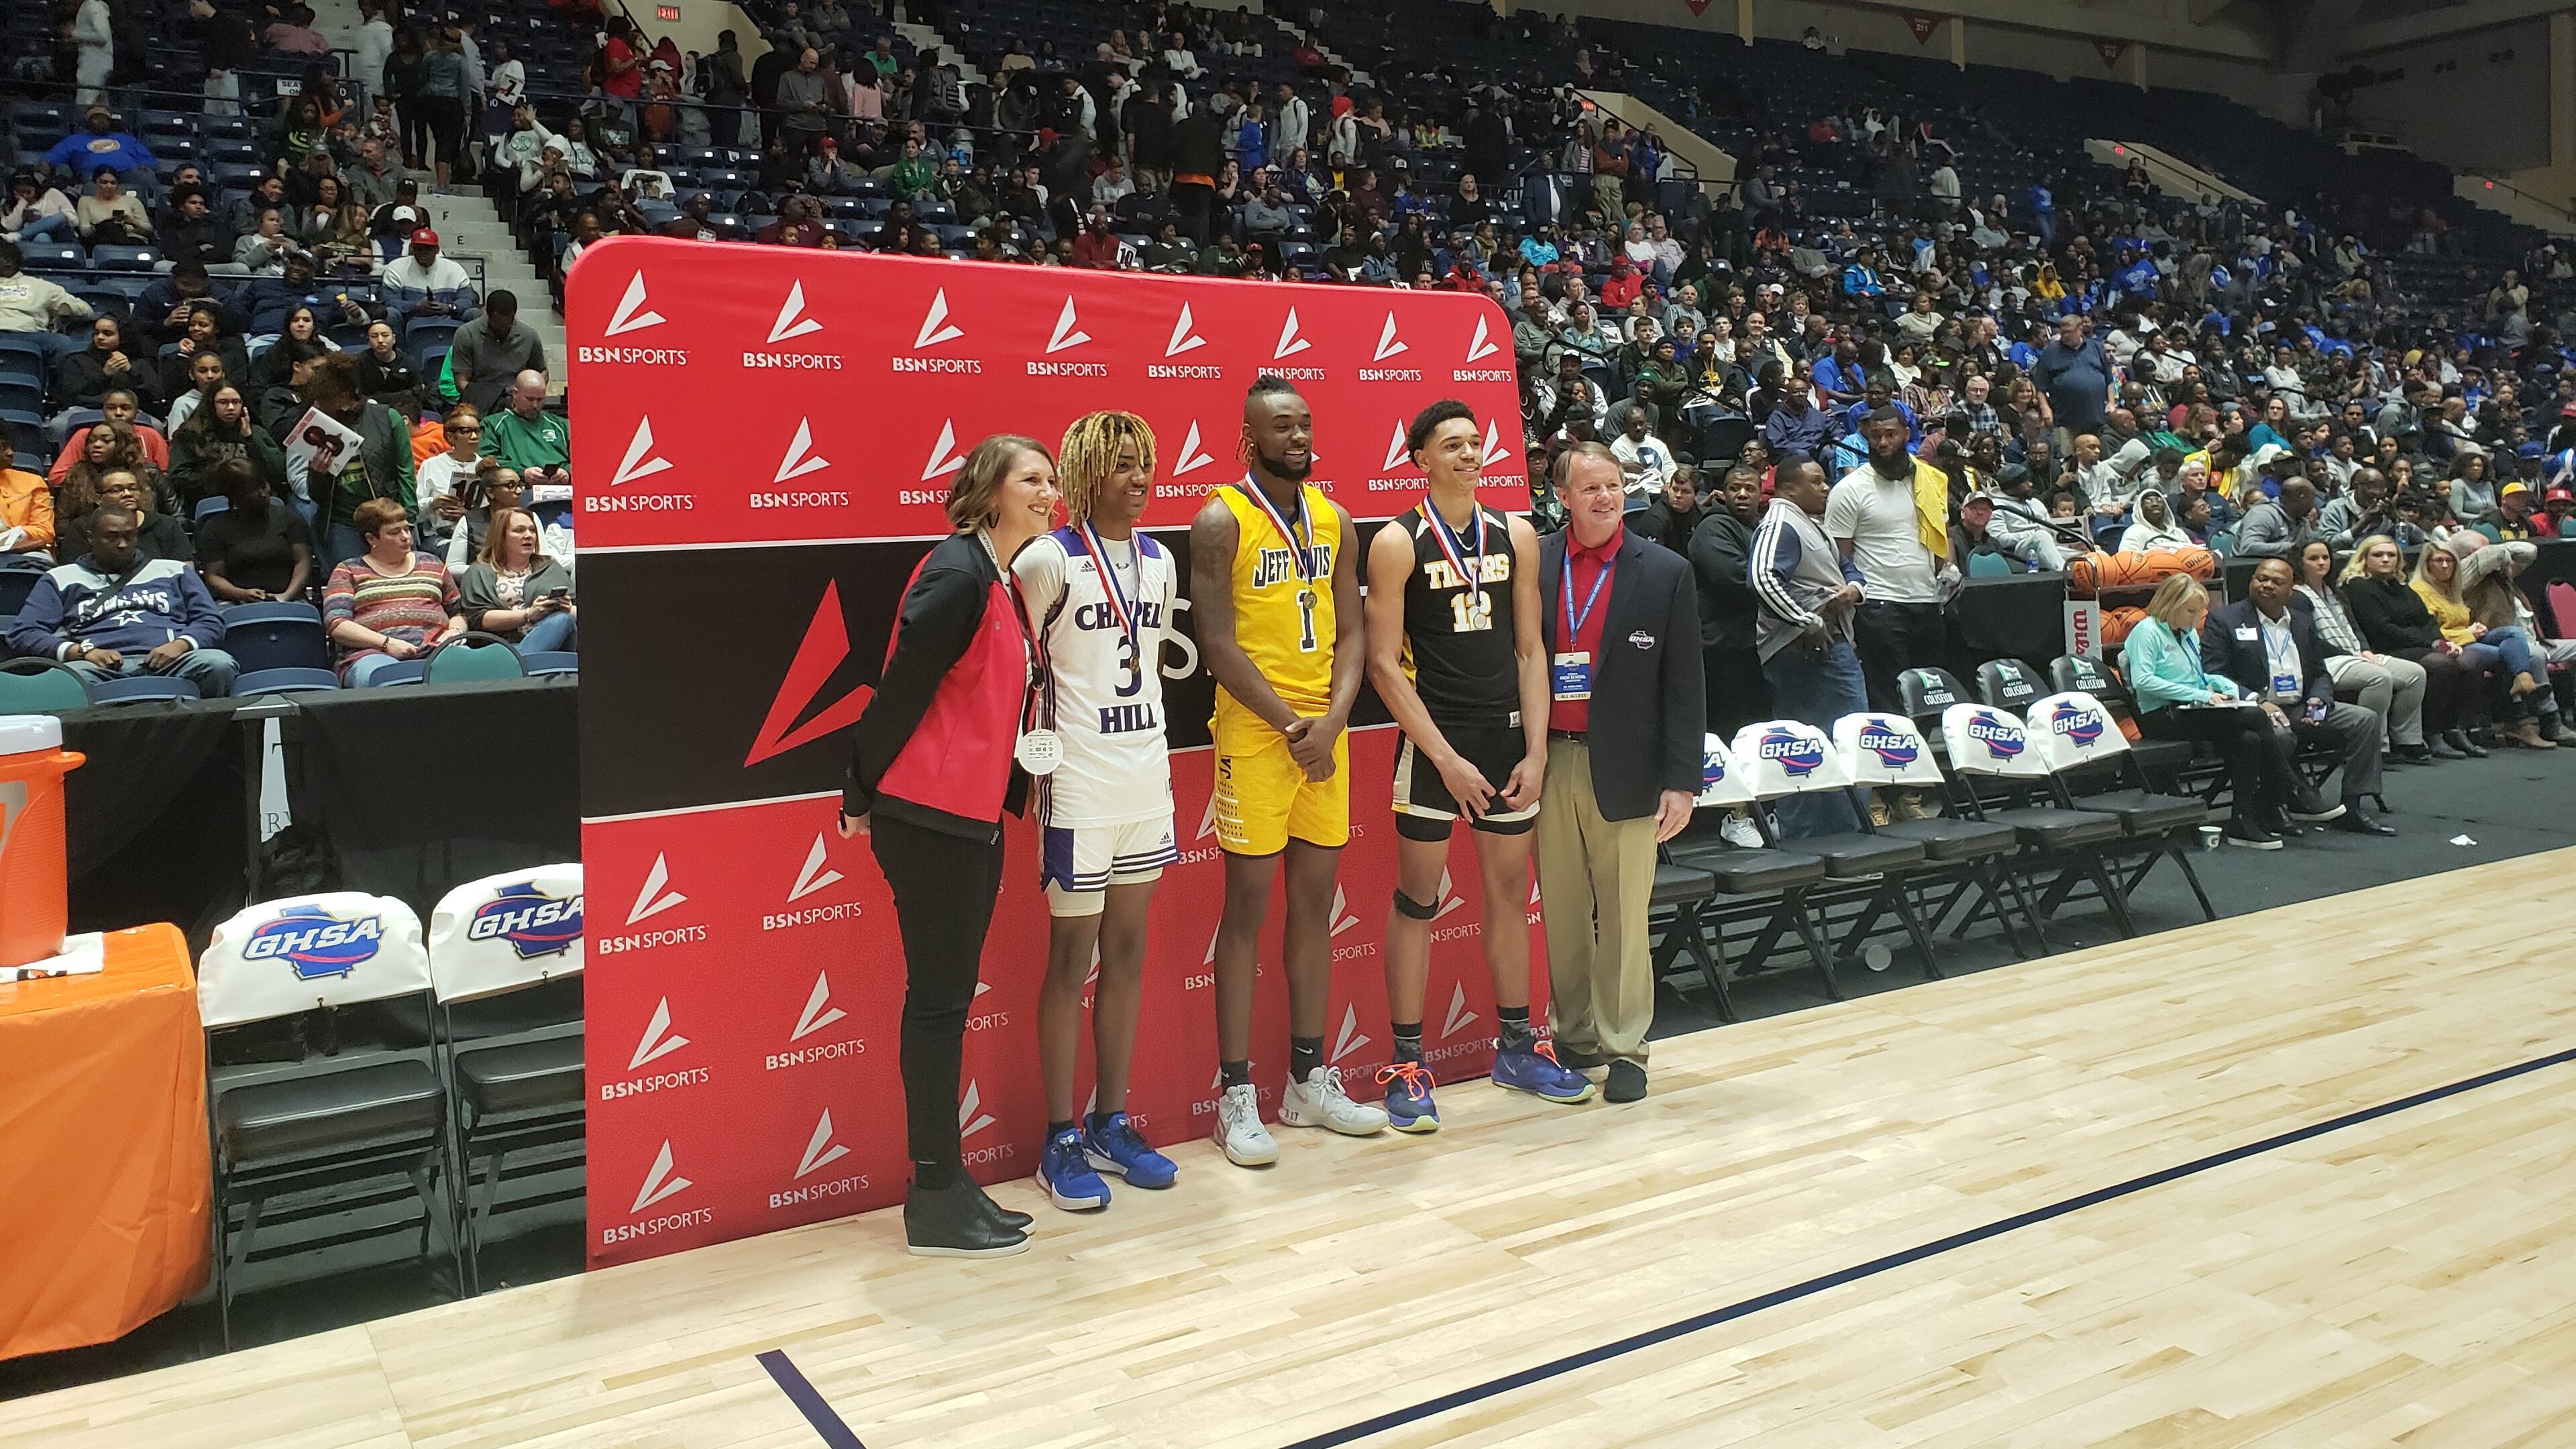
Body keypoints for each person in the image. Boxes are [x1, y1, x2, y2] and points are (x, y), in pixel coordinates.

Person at [838, 434, 1058, 1258]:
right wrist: (859, 789)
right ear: (990, 491)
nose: (1049, 492)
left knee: (946, 1003)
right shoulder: (958, 574)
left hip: (965, 816)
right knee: (937, 1008)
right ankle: (934, 1193)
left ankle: (948, 1182)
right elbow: (901, 689)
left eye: (1052, 480)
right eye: (1031, 479)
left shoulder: (995, 575)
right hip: (928, 819)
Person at [1361, 400, 1589, 1130]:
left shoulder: (1514, 533)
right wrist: (1445, 759)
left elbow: (1530, 648)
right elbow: (1383, 666)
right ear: (1419, 459)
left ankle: (1518, 1048)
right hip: (1436, 747)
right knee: (1417, 900)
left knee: (1507, 893)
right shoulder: (1396, 542)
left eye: (1474, 442)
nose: (1468, 454)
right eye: (1452, 445)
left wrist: (1536, 751)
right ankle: (1406, 1065)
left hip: (1506, 741)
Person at [1190, 376, 1385, 1168]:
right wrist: (1290, 725)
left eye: (1305, 423)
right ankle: (1235, 1096)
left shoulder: (1335, 518)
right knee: (1245, 912)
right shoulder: (1220, 518)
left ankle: (1308, 1081)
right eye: (1281, 426)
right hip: (1258, 735)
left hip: (1324, 737)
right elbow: (1216, 642)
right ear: (1250, 437)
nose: (1298, 436)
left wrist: (1332, 722)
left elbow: (1352, 634)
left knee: (1314, 908)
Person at [1008, 412, 1180, 1212]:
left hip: (1146, 779)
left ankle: (1112, 1120)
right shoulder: (1047, 560)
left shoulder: (1161, 560)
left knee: (1130, 951)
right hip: (1077, 784)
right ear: (1085, 473)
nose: (1139, 478)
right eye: (1120, 465)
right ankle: (1059, 1137)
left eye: (1144, 463)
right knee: (1070, 959)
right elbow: (1015, 668)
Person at [1529, 441, 1701, 1100]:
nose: (1606, 497)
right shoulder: (1535, 561)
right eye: (1591, 487)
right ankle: (1574, 1036)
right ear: (1564, 497)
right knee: (1564, 908)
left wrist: (1681, 780)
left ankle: (1626, 1046)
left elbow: (1685, 684)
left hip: (1631, 767)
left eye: (1614, 485)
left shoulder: (1665, 571)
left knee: (1626, 914)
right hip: (1550, 760)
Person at [1826, 407, 1956, 816]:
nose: (1882, 443)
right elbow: (1840, 557)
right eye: (1875, 436)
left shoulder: (1930, 480)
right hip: (1880, 604)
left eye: (1890, 435)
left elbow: (1941, 534)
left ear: (1906, 434)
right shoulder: (1850, 489)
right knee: (1886, 704)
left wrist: (1949, 568)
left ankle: (1908, 792)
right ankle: (1880, 794)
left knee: (1926, 700)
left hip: (1927, 601)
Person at [2200, 558, 2390, 835]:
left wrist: (2318, 699)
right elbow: (2214, 673)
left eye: (2277, 582)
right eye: (2261, 578)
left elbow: (2320, 672)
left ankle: (2352, 806)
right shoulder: (2226, 620)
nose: (2267, 585)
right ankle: (2278, 803)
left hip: (2301, 706)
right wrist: (2258, 701)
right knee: (2278, 734)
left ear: (2291, 590)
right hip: (2257, 712)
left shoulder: (2301, 621)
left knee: (2365, 720)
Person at [1752, 451, 1868, 837]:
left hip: (1822, 647)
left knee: (1805, 746)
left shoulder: (1810, 525)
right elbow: (1762, 578)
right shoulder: (1780, 523)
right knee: (1845, 738)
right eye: (1816, 482)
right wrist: (1808, 621)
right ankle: (1847, 840)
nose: (1825, 488)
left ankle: (1811, 840)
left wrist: (1854, 589)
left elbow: (1847, 567)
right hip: (1810, 650)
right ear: (1788, 488)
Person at [14, 494, 217, 667]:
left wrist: (180, 645)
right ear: (91, 538)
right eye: (112, 537)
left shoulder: (174, 571)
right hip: (94, 665)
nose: (122, 544)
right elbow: (25, 632)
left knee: (216, 663)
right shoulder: (61, 578)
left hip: (171, 661)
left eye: (129, 537)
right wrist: (81, 652)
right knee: (72, 680)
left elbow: (210, 619)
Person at [2341, 534, 2491, 758]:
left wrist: (2443, 642)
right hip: (2385, 648)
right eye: (2378, 555)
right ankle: (2432, 732)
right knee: (2442, 665)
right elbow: (2382, 628)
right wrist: (2433, 644)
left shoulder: (2399, 585)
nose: (2386, 559)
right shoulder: (2358, 586)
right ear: (2364, 558)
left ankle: (2455, 728)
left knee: (2472, 660)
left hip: (2418, 646)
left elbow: (2427, 620)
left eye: (2391, 555)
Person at [2292, 540, 2430, 763]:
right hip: (2328, 661)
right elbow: (2310, 641)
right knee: (2379, 677)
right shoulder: (2297, 596)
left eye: (2325, 558)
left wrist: (2365, 650)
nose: (2321, 563)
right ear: (2300, 563)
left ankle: (2407, 740)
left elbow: (2355, 628)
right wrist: (2351, 656)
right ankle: (2374, 745)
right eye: (2314, 558)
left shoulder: (2334, 591)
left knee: (2414, 673)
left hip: (2355, 654)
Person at [2413, 537, 2555, 749]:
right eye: (2439, 561)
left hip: (2467, 635)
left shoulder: (2451, 587)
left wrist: (2474, 629)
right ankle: (2519, 720)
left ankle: (2523, 680)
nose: (2445, 565)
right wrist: (2468, 633)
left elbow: (2529, 552)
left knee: (2513, 634)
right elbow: (2430, 632)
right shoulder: (2421, 590)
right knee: (2506, 655)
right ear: (2426, 565)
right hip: (2450, 643)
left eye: (2449, 561)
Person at [288, 352, 416, 566]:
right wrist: (318, 474)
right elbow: (317, 496)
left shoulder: (386, 417)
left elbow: (406, 472)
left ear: (346, 395)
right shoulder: (318, 425)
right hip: (342, 521)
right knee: (350, 576)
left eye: (328, 400)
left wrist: (408, 519)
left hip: (387, 515)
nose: (322, 405)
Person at [322, 497, 462, 684]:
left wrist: (455, 631)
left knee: (469, 668)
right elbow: (338, 625)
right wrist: (386, 644)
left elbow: (457, 612)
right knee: (385, 677)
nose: (406, 537)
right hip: (372, 654)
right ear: (372, 539)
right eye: (395, 532)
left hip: (438, 649)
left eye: (407, 529)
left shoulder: (432, 563)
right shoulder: (348, 571)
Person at [457, 505, 576, 651]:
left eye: (532, 530)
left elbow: (580, 613)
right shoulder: (479, 571)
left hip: (548, 639)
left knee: (563, 620)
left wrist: (568, 608)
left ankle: (518, 661)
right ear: (501, 536)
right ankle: (520, 659)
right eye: (519, 530)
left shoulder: (550, 567)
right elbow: (479, 618)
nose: (529, 535)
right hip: (499, 646)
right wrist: (528, 615)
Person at [196, 458, 314, 603]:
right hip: (236, 601)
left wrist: (285, 596)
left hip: (289, 597)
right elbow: (214, 576)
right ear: (235, 496)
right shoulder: (215, 528)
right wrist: (243, 594)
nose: (263, 494)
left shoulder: (289, 517)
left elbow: (303, 561)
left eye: (263, 486)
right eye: (253, 491)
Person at [168, 383, 285, 507]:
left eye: (236, 402)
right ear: (211, 404)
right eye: (223, 402)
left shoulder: (256, 432)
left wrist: (250, 438)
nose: (230, 407)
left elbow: (277, 471)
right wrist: (222, 483)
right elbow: (178, 475)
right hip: (210, 501)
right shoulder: (192, 434)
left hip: (256, 501)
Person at [447, 292, 547, 417]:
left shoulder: (529, 336)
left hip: (516, 401)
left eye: (507, 326)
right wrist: (491, 397)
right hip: (479, 401)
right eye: (498, 325)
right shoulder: (466, 334)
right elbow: (461, 381)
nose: (503, 329)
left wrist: (528, 394)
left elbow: (542, 372)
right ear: (488, 316)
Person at [0, 419, 56, 559]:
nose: (10, 453)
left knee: (41, 559)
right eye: (3, 447)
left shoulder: (33, 482)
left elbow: (45, 532)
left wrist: (9, 536)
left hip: (23, 554)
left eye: (12, 447)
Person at [1629, 465, 1705, 554]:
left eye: (1685, 491)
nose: (1678, 495)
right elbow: (1654, 556)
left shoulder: (1699, 513)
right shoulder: (1655, 518)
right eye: (1675, 489)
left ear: (1696, 495)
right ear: (1669, 489)